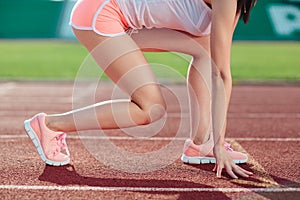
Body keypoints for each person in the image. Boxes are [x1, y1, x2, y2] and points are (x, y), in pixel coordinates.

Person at [24, 0, 257, 179]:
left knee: (205, 49)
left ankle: (199, 144)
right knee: (150, 109)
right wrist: (220, 144)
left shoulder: (238, 3)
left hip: (118, 19)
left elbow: (216, 63)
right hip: (101, 14)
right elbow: (221, 74)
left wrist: (213, 141)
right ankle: (50, 125)